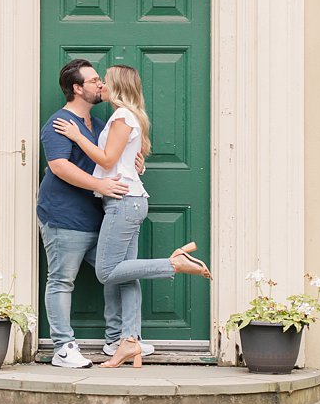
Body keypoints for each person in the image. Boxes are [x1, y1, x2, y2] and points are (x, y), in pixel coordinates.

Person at [53, 64, 211, 368]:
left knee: (107, 271)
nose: (100, 85)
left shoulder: (123, 117)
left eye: (104, 81)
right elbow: (123, 161)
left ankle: (173, 263)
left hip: (124, 203)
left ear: (117, 86)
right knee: (127, 274)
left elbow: (107, 158)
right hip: (130, 200)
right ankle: (129, 342)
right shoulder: (122, 117)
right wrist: (135, 166)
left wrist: (76, 136)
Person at [38, 58, 132, 368]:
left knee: (116, 275)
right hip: (65, 217)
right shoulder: (58, 124)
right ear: (77, 89)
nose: (100, 84)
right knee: (62, 280)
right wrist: (100, 186)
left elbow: (109, 157)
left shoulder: (101, 123)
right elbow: (59, 166)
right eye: (93, 81)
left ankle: (115, 341)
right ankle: (63, 348)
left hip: (100, 217)